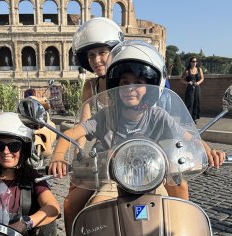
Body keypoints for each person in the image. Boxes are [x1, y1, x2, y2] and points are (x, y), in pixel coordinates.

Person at [49, 41, 225, 223]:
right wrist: (58, 156)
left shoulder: (158, 116)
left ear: (150, 87)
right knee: (72, 204)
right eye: (124, 83)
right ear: (115, 86)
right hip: (112, 179)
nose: (129, 88)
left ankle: (181, 234)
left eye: (138, 83)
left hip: (153, 176)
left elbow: (189, 137)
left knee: (181, 187)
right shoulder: (105, 116)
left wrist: (208, 151)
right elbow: (71, 133)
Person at [60, 17, 124, 236]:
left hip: (136, 157)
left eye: (102, 52)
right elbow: (84, 124)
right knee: (70, 205)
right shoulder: (91, 86)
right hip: (102, 160)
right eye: (91, 55)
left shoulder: (133, 80)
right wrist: (72, 152)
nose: (97, 59)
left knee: (178, 187)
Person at [180, 57, 204, 123]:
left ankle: (194, 119)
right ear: (190, 62)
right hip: (190, 89)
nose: (194, 63)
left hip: (197, 88)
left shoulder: (199, 69)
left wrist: (198, 83)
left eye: (196, 61)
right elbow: (181, 80)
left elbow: (202, 78)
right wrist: (187, 83)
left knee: (196, 102)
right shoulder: (187, 71)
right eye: (193, 61)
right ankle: (188, 119)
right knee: (189, 103)